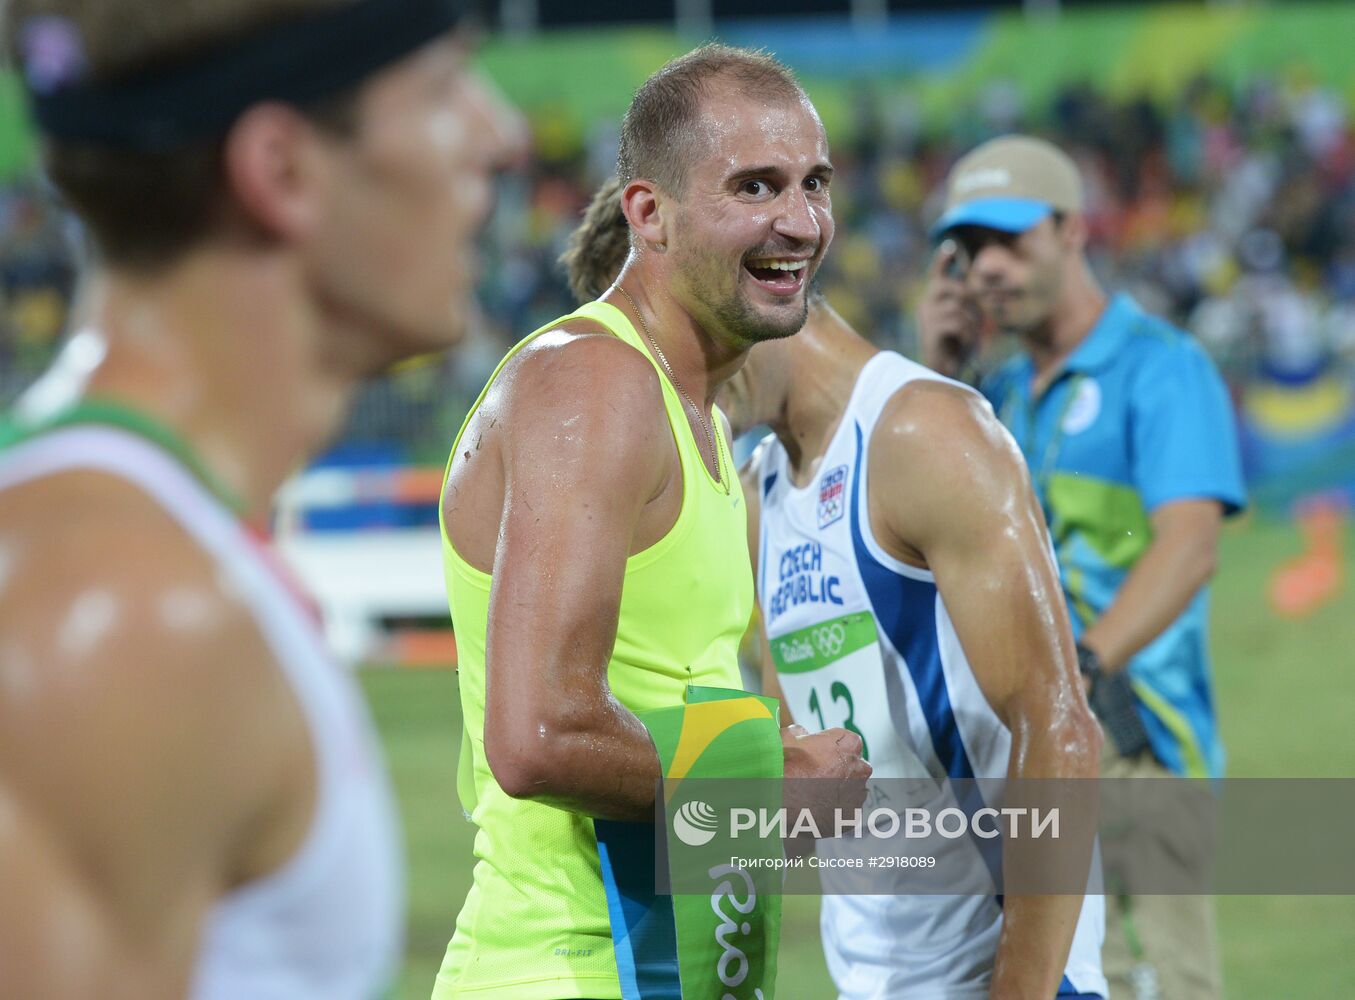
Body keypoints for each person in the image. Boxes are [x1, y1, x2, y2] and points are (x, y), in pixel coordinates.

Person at [0, 1, 521, 996]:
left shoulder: (135, 548)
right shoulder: (121, 614)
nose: (498, 135)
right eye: (446, 84)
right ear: (281, 170)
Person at [564, 176, 1108, 1000]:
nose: (670, 388)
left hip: (1002, 972)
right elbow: (809, 771)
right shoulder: (757, 492)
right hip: (877, 977)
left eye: (667, 340)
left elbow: (1061, 732)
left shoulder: (925, 432)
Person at [436, 43, 870, 1000]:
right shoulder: (593, 386)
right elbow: (538, 734)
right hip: (564, 971)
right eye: (754, 188)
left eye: (813, 184)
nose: (798, 223)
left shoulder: (695, 408)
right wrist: (772, 789)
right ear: (649, 214)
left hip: (666, 967)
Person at [923, 134, 1247, 1000]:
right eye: (969, 250)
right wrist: (938, 372)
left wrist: (1083, 670)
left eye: (1009, 240)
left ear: (1070, 230)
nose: (987, 268)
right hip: (1024, 747)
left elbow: (1188, 547)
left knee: (1167, 982)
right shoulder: (991, 398)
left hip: (1137, 734)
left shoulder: (1161, 367)